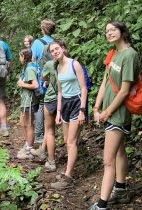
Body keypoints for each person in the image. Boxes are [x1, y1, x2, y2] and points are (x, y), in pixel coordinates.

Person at [89, 21, 138, 210]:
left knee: (107, 161)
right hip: (108, 112)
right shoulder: (114, 54)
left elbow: (125, 91)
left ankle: (102, 204)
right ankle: (120, 188)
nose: (109, 33)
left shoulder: (130, 55)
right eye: (106, 31)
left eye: (113, 29)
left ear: (122, 31)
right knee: (119, 151)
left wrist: (107, 112)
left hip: (118, 114)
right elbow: (104, 83)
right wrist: (96, 108)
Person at [49, 39, 88, 189]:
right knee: (66, 140)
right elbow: (59, 91)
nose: (55, 52)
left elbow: (84, 88)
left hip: (77, 103)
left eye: (57, 48)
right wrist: (58, 112)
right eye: (52, 51)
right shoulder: (57, 67)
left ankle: (68, 176)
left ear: (63, 48)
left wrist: (82, 111)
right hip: (65, 103)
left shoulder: (74, 64)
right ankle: (69, 170)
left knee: (71, 142)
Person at [30, 19, 56, 144]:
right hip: (55, 78)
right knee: (51, 104)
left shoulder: (37, 42)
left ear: (43, 29)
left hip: (42, 77)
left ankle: (39, 135)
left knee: (41, 105)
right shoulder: (56, 42)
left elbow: (33, 59)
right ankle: (50, 133)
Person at [30, 60, 57, 171]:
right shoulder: (73, 63)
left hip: (52, 98)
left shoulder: (50, 64)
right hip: (68, 99)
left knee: (49, 130)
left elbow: (43, 78)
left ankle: (51, 161)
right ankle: (43, 149)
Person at [16, 48, 40, 159]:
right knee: (23, 123)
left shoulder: (30, 69)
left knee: (28, 124)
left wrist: (22, 84)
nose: (19, 58)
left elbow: (35, 85)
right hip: (25, 100)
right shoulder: (28, 67)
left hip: (29, 101)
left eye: (20, 56)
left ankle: (29, 148)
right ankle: (27, 144)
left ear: (25, 57)